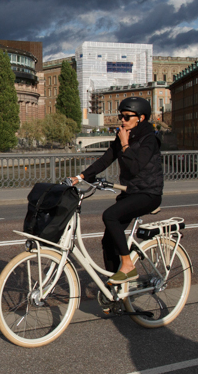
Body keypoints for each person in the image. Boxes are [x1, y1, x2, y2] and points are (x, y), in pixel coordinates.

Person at [70, 97, 163, 284]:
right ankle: (116, 290)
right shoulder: (123, 135)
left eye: (127, 117)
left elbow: (135, 167)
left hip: (149, 193)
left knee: (110, 215)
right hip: (131, 192)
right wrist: (80, 177)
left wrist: (125, 144)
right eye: (121, 116)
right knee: (108, 241)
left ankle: (128, 265)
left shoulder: (150, 139)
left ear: (141, 118)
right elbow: (106, 159)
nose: (122, 120)